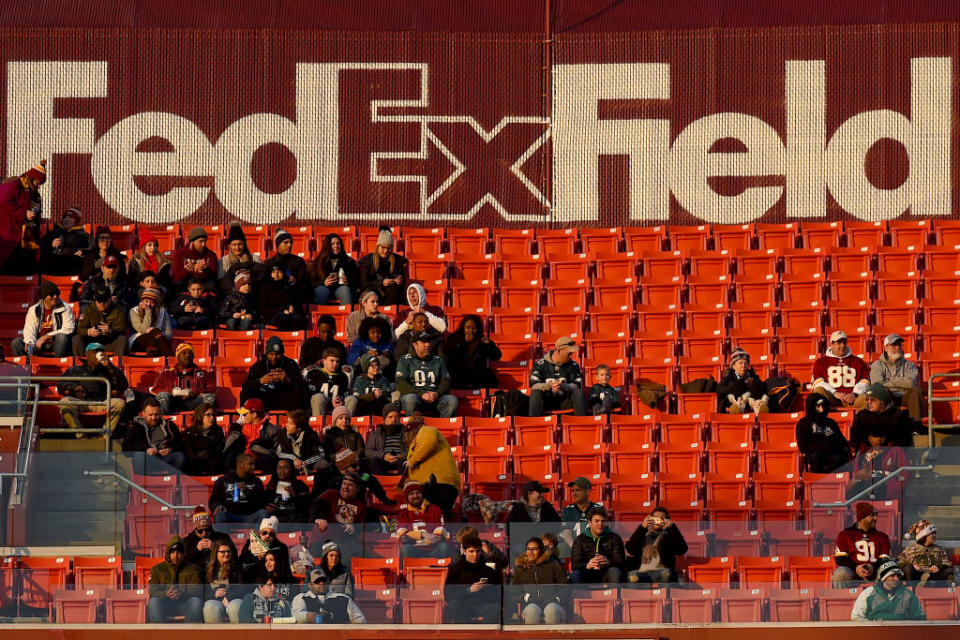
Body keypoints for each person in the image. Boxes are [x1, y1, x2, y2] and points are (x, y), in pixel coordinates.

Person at [58, 343, 127, 436]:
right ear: (87, 355)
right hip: (82, 403)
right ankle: (80, 434)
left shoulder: (108, 370)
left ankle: (105, 435)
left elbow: (123, 385)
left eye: (101, 351)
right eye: (95, 352)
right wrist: (74, 387)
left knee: (119, 403)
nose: (99, 354)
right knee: (64, 402)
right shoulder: (75, 369)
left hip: (102, 402)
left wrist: (110, 366)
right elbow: (60, 385)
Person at [397, 331, 458, 418]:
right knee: (410, 399)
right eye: (423, 342)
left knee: (452, 400)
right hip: (415, 396)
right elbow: (401, 383)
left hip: (435, 397)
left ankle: (441, 428)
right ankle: (413, 427)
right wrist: (421, 394)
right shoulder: (405, 360)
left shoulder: (439, 361)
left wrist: (437, 393)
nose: (427, 345)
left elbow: (446, 382)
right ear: (415, 345)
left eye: (428, 341)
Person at [308, 471, 368, 559]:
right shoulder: (331, 494)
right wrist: (317, 519)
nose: (346, 488)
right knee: (345, 552)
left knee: (364, 553)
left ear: (357, 488)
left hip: (344, 541)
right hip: (323, 541)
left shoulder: (361, 505)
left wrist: (353, 529)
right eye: (344, 484)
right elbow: (315, 506)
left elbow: (360, 528)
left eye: (350, 485)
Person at [832, 501, 892, 588]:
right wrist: (856, 568)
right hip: (853, 571)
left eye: (876, 515)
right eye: (872, 516)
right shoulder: (845, 534)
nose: (876, 518)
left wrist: (873, 568)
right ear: (862, 518)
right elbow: (840, 559)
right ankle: (842, 600)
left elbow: (885, 559)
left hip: (875, 572)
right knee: (841, 573)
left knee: (889, 571)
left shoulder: (882, 537)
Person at [240, 336, 307, 411]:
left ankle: (297, 419)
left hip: (283, 397)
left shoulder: (290, 364)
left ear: (282, 353)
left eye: (277, 354)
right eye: (271, 354)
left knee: (300, 393)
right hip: (264, 398)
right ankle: (243, 418)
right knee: (245, 392)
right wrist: (260, 381)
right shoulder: (259, 365)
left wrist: (288, 380)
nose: (274, 357)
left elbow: (302, 385)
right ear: (267, 353)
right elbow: (245, 386)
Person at [512, 536, 569, 625]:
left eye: (534, 549)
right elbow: (514, 593)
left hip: (553, 603)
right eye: (528, 549)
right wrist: (527, 597)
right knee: (532, 611)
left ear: (541, 550)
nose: (530, 552)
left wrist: (555, 598)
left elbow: (566, 587)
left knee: (552, 610)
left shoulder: (553, 565)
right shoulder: (521, 568)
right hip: (529, 605)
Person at [446, 534, 502, 623]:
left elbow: (498, 593)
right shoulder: (455, 569)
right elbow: (448, 594)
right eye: (471, 551)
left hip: (483, 604)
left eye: (478, 551)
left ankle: (483, 633)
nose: (475, 555)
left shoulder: (488, 570)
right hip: (463, 604)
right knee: (454, 605)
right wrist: (469, 590)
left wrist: (488, 588)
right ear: (464, 551)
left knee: (496, 609)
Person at [147, 535, 203, 623]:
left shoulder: (192, 569)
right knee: (153, 602)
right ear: (168, 553)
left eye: (179, 552)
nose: (176, 556)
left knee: (196, 602)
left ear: (184, 553)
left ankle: (189, 634)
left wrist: (181, 594)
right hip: (164, 604)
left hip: (184, 604)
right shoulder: (157, 569)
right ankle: (159, 634)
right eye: (173, 552)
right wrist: (166, 594)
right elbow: (152, 591)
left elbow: (197, 591)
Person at [0, 160, 45, 269]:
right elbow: (2, 200)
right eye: (37, 183)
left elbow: (36, 211)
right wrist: (23, 213)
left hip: (26, 236)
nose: (38, 186)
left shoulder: (33, 193)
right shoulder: (15, 184)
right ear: (32, 178)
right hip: (9, 231)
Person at [151, 342, 217, 416]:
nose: (188, 355)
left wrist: (195, 393)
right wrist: (172, 391)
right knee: (163, 396)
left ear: (193, 357)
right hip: (173, 402)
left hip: (194, 402)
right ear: (178, 356)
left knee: (209, 398)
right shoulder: (166, 374)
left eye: (190, 353)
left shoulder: (204, 373)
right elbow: (155, 390)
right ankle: (164, 423)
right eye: (184, 353)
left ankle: (204, 424)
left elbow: (212, 390)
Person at [625, 506, 687, 583]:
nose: (657, 521)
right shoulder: (643, 534)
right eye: (655, 518)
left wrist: (671, 527)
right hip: (643, 572)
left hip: (662, 571)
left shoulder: (670, 535)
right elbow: (631, 549)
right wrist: (643, 527)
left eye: (661, 518)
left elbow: (681, 550)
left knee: (666, 574)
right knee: (633, 576)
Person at [848, 423, 909, 501]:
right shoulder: (862, 454)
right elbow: (856, 475)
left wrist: (895, 487)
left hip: (887, 489)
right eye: (875, 436)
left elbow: (905, 472)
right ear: (869, 437)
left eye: (881, 436)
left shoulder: (896, 451)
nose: (879, 439)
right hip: (864, 488)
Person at [529, 336, 587, 417]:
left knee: (578, 392)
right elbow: (533, 385)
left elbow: (577, 385)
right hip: (546, 402)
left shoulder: (573, 365)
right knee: (535, 393)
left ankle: (582, 424)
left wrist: (563, 386)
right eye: (569, 353)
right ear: (559, 351)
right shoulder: (540, 364)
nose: (571, 356)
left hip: (566, 401)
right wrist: (549, 385)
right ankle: (534, 425)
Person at [849, 383, 916, 453]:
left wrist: (885, 441)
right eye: (867, 399)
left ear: (882, 401)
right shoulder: (862, 415)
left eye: (872, 400)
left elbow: (904, 440)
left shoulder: (898, 415)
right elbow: (854, 439)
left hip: (892, 455)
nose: (869, 402)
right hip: (868, 455)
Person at [123, 397, 186, 472]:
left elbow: (180, 443)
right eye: (150, 415)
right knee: (139, 456)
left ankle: (174, 481)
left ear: (160, 413)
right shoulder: (135, 427)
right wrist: (146, 450)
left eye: (156, 414)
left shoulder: (169, 425)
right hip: (147, 459)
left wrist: (170, 449)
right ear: (143, 414)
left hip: (165, 458)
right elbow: (126, 450)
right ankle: (142, 482)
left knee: (179, 457)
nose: (154, 418)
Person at [12, 281, 74, 357]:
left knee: (62, 337)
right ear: (44, 297)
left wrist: (46, 336)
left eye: (57, 294)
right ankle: (26, 366)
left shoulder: (65, 308)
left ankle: (59, 365)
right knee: (16, 342)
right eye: (51, 294)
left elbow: (69, 329)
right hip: (38, 344)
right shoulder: (34, 310)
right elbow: (29, 330)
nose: (55, 297)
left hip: (55, 343)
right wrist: (30, 343)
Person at [870, 333, 923, 421]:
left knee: (916, 390)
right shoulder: (877, 365)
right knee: (880, 392)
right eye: (894, 345)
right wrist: (902, 383)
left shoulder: (910, 365)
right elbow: (878, 386)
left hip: (904, 396)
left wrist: (888, 380)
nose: (898, 348)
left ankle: (916, 425)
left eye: (899, 345)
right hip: (887, 396)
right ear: (885, 348)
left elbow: (911, 383)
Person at [812, 330, 870, 409]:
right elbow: (818, 383)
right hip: (832, 398)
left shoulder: (858, 362)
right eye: (839, 343)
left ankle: (860, 420)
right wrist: (834, 392)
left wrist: (854, 394)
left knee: (870, 398)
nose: (842, 346)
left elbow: (865, 381)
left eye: (844, 342)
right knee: (818, 391)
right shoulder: (821, 362)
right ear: (832, 344)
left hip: (854, 399)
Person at [441, 314, 501, 390]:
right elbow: (446, 351)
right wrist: (462, 342)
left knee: (490, 380)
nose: (470, 331)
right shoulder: (454, 338)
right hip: (458, 374)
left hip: (477, 375)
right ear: (463, 328)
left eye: (474, 328)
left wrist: (490, 344)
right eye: (468, 327)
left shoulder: (482, 341)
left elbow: (496, 356)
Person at [851, 560, 925, 621]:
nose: (896, 579)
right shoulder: (868, 593)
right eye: (892, 575)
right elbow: (856, 617)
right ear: (884, 577)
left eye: (898, 576)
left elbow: (920, 619)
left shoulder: (908, 595)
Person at [796, 393, 851, 473]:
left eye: (823, 406)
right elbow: (803, 447)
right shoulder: (803, 424)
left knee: (840, 456)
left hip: (833, 455)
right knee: (816, 457)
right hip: (816, 457)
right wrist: (821, 448)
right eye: (818, 407)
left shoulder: (831, 422)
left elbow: (841, 441)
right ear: (812, 407)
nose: (822, 410)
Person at [224, 398, 283, 473]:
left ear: (254, 414)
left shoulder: (272, 430)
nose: (242, 416)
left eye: (245, 414)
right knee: (230, 456)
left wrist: (260, 448)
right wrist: (235, 429)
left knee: (267, 459)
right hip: (243, 459)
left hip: (258, 460)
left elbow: (276, 453)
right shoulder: (240, 428)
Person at [396, 480, 452, 559]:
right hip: (414, 549)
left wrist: (431, 540)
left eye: (418, 493)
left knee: (444, 547)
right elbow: (401, 534)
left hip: (434, 549)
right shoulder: (403, 513)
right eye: (412, 494)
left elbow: (441, 528)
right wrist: (422, 534)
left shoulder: (434, 509)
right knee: (406, 549)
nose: (415, 495)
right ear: (407, 497)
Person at [209, 453, 270, 524]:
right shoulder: (223, 480)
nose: (253, 467)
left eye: (254, 464)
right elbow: (213, 501)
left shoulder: (256, 481)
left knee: (263, 513)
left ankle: (256, 535)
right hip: (230, 516)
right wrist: (217, 506)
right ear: (240, 464)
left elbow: (262, 503)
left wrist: (248, 491)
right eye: (250, 464)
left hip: (250, 516)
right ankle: (222, 535)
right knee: (220, 515)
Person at [570, 506, 625, 584]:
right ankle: (579, 596)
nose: (600, 524)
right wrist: (587, 565)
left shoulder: (614, 538)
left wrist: (608, 562)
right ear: (589, 522)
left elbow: (621, 561)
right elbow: (575, 564)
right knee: (575, 575)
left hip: (607, 572)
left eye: (603, 521)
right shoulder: (580, 539)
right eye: (597, 521)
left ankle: (614, 595)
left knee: (614, 572)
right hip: (587, 574)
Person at [292, 567, 366, 624]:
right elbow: (294, 616)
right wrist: (307, 616)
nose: (321, 583)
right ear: (310, 585)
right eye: (317, 581)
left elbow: (360, 620)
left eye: (324, 580)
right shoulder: (301, 598)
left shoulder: (343, 598)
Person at [262, 227, 313, 305]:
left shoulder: (298, 261)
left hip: (294, 297)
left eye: (290, 242)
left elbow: (304, 280)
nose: (289, 245)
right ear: (278, 245)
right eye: (286, 242)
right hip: (275, 299)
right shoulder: (269, 263)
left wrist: (296, 280)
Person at [357, 228, 408, 305]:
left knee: (393, 289)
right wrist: (381, 283)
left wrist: (401, 281)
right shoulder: (368, 260)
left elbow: (402, 281)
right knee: (371, 294)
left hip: (391, 292)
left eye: (388, 248)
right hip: (373, 289)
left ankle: (390, 312)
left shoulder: (398, 261)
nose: (385, 251)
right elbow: (363, 283)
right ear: (378, 246)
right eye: (383, 247)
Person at [73, 288, 128, 357]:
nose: (102, 304)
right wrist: (89, 332)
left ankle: (117, 364)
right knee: (76, 339)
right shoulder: (88, 310)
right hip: (90, 342)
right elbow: (79, 329)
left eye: (105, 301)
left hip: (109, 342)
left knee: (122, 339)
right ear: (95, 300)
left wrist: (111, 331)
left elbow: (121, 328)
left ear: (110, 299)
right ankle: (80, 364)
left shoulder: (118, 310)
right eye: (99, 301)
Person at [898, 519, 954, 585]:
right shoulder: (910, 549)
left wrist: (938, 567)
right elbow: (899, 563)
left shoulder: (939, 549)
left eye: (934, 533)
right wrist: (912, 566)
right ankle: (911, 589)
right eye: (931, 533)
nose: (934, 535)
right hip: (916, 577)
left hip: (934, 577)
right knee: (908, 569)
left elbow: (947, 563)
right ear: (923, 536)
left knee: (950, 571)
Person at [237, 516, 291, 584]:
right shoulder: (250, 543)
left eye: (271, 534)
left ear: (274, 537)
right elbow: (240, 563)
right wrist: (249, 551)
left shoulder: (281, 548)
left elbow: (285, 569)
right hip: (253, 578)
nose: (267, 536)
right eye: (264, 533)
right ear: (260, 534)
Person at [202, 541, 245, 624]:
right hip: (215, 600)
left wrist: (228, 597)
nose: (226, 554)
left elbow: (243, 588)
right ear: (216, 553)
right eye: (223, 552)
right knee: (210, 606)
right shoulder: (207, 569)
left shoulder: (237, 567)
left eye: (228, 551)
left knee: (235, 606)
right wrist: (214, 594)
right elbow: (202, 591)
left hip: (233, 599)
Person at [275, 409, 328, 475]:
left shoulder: (312, 435)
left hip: (308, 463)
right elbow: (279, 452)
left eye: (290, 424)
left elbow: (320, 454)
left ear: (299, 428)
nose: (287, 425)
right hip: (290, 463)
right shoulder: (282, 433)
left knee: (323, 464)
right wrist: (295, 459)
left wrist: (305, 463)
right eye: (287, 422)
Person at [310, 233, 358, 305]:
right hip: (324, 288)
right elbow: (312, 280)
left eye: (338, 243)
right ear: (327, 246)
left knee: (345, 290)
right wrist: (323, 283)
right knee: (321, 291)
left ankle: (348, 315)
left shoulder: (349, 261)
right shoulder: (318, 261)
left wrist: (348, 281)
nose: (336, 246)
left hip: (341, 288)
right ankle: (320, 315)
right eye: (332, 244)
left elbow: (356, 280)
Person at [39, 206, 88, 276]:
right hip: (52, 269)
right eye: (65, 217)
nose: (66, 220)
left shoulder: (82, 235)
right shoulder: (54, 232)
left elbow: (88, 248)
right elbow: (42, 244)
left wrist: (81, 251)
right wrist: (51, 244)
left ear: (76, 221)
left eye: (70, 218)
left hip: (72, 269)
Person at [259, 261, 308, 330]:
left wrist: (292, 310)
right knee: (283, 317)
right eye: (273, 272)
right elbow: (263, 310)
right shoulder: (264, 288)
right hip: (271, 318)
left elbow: (298, 306)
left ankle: (294, 339)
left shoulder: (290, 287)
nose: (276, 275)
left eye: (279, 272)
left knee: (298, 319)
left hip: (290, 316)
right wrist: (283, 310)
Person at [716, 348, 767, 413]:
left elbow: (762, 390)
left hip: (751, 407)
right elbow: (719, 390)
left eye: (745, 364)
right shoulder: (728, 378)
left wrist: (753, 385)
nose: (743, 366)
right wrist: (733, 387)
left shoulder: (753, 377)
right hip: (733, 405)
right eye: (740, 363)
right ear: (733, 366)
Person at [560, 477, 604, 551]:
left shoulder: (599, 509)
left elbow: (602, 532)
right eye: (572, 490)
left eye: (578, 490)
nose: (574, 493)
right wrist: (575, 547)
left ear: (587, 491)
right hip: (573, 547)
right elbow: (566, 533)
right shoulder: (567, 510)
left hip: (594, 547)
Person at [304, 347, 350, 417]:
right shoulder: (314, 373)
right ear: (323, 361)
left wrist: (339, 399)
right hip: (319, 404)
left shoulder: (342, 376)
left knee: (352, 399)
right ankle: (318, 424)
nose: (335, 364)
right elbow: (310, 393)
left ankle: (348, 424)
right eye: (332, 360)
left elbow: (344, 393)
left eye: (337, 361)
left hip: (337, 405)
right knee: (318, 397)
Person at [171, 227, 218, 294]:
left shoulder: (210, 255)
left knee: (212, 285)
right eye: (200, 241)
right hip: (186, 284)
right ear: (192, 242)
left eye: (205, 241)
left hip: (203, 284)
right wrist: (187, 271)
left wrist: (205, 270)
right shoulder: (180, 254)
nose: (203, 244)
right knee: (177, 285)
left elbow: (214, 275)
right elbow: (175, 277)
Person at [181, 403, 224, 475]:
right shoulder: (189, 432)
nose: (212, 417)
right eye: (208, 415)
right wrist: (197, 455)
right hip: (194, 463)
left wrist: (208, 452)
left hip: (212, 463)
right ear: (200, 416)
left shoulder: (218, 430)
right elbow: (187, 449)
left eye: (213, 415)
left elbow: (219, 449)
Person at [127, 287, 173, 356]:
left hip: (158, 341)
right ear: (142, 301)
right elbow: (143, 330)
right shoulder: (133, 311)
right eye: (146, 301)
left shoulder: (162, 312)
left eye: (152, 302)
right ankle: (170, 358)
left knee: (153, 335)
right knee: (152, 335)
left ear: (156, 303)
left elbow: (169, 335)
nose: (148, 304)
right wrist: (148, 312)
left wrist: (156, 332)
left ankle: (153, 362)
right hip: (138, 342)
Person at [265, 457, 312, 523]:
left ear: (291, 469)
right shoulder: (272, 485)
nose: (282, 470)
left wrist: (294, 495)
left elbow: (306, 505)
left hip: (296, 517)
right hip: (277, 517)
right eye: (279, 467)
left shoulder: (299, 484)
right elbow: (267, 504)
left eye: (286, 467)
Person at [365, 403, 407, 475]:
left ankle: (401, 484)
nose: (394, 419)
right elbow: (368, 451)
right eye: (390, 417)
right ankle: (380, 483)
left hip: (400, 460)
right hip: (383, 460)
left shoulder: (406, 433)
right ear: (384, 419)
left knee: (406, 462)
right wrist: (383, 456)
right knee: (374, 462)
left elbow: (413, 450)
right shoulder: (376, 433)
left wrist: (401, 456)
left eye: (396, 417)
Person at [345, 353, 392, 417]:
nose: (376, 367)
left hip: (378, 406)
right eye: (372, 365)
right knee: (361, 403)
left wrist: (381, 393)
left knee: (383, 401)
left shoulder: (383, 379)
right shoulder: (359, 380)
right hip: (364, 407)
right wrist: (373, 395)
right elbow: (358, 395)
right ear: (366, 368)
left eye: (377, 365)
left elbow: (387, 391)